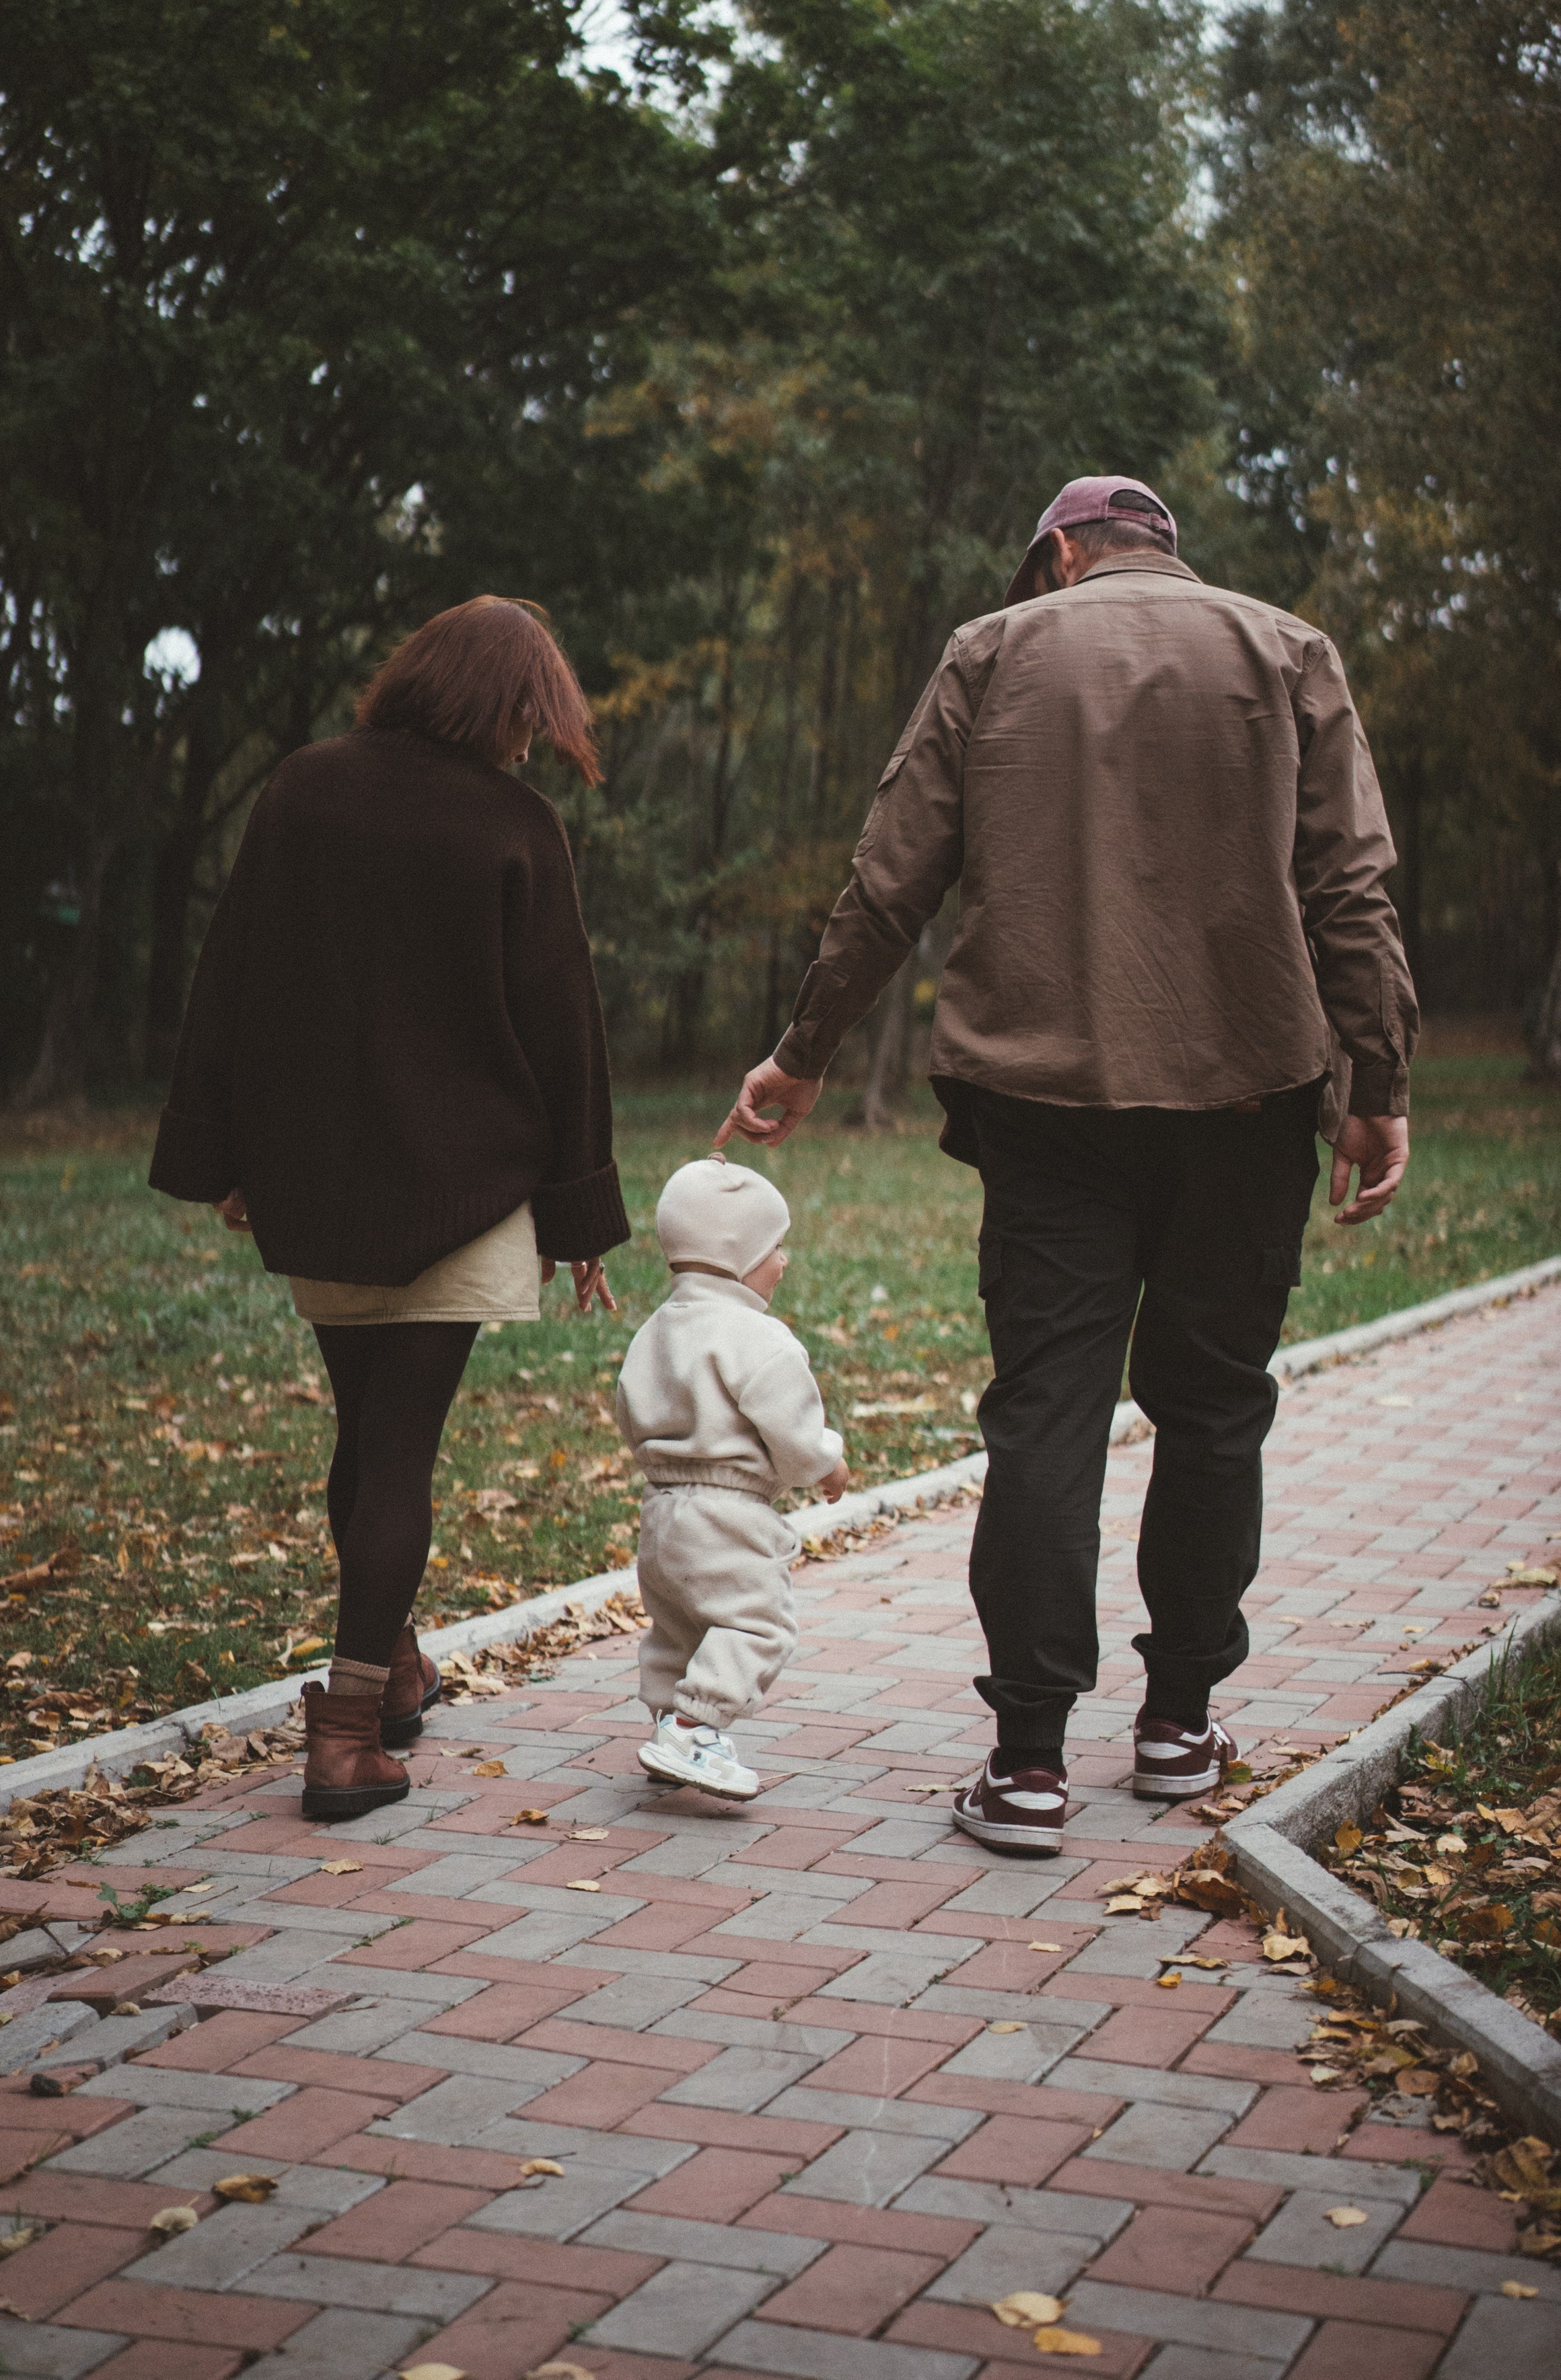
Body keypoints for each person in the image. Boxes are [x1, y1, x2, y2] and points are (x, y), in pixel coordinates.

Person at [718, 476, 1418, 1856]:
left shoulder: (991, 648)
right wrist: (1374, 1085)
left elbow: (888, 875)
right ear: (1163, 547)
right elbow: (1348, 884)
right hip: (1247, 1093)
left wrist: (802, 1046)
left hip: (1042, 1104)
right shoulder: (1286, 651)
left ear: (1057, 553)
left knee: (1045, 1407)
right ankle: (1173, 1724)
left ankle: (1027, 1760)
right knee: (1213, 1405)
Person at [149, 596, 630, 1822]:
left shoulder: (301, 790)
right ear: (499, 705)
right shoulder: (515, 828)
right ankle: (350, 1728)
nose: (533, 740)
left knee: (365, 1436)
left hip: (318, 1180)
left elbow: (231, 977)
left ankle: (396, 1663)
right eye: (531, 715)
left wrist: (224, 1153)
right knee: (397, 1451)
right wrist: (577, 1219)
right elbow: (563, 1033)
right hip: (464, 1190)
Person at [616, 1155, 850, 1801]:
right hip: (731, 1510)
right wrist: (829, 1460)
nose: (784, 1260)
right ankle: (695, 1728)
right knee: (756, 1627)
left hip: (660, 1508)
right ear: (737, 1254)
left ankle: (669, 1719)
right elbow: (796, 1441)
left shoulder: (654, 1331)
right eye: (776, 1246)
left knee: (679, 1626)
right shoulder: (762, 1340)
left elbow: (627, 1409)